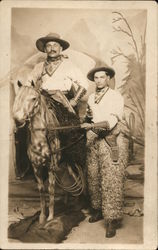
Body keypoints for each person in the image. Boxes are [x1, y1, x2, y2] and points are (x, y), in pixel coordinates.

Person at [81, 66, 129, 238]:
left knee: (111, 179)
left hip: (111, 140)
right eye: (96, 78)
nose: (99, 80)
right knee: (94, 176)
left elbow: (111, 120)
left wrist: (92, 126)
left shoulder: (116, 96)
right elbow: (90, 116)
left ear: (108, 78)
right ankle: (99, 210)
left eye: (102, 77)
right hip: (93, 140)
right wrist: (86, 120)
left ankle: (112, 220)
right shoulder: (92, 97)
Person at [26, 33, 88, 109]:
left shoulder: (69, 65)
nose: (52, 49)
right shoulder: (39, 66)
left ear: (61, 48)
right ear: (45, 49)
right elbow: (28, 83)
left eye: (55, 45)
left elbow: (84, 83)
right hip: (44, 103)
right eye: (49, 46)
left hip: (64, 103)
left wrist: (75, 100)